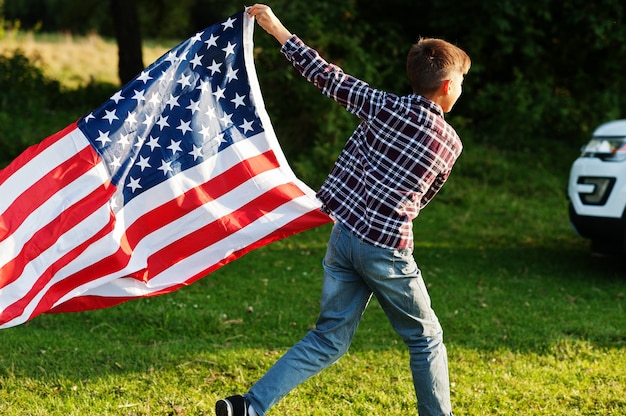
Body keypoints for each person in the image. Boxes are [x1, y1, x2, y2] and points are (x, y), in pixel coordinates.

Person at [216, 4, 471, 416]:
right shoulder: (451, 143)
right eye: (460, 81)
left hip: (344, 239)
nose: (460, 88)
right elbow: (423, 198)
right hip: (386, 251)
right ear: (445, 86)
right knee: (426, 339)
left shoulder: (380, 105)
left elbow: (325, 75)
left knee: (328, 338)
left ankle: (248, 406)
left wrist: (276, 28)